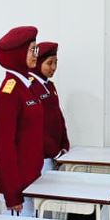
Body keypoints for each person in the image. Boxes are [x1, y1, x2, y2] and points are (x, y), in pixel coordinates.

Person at [0, 26, 43, 217]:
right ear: (18, 54)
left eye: (36, 49)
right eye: (32, 50)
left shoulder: (26, 86)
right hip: (17, 188)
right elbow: (4, 146)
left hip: (30, 181)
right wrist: (12, 194)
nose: (36, 54)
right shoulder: (10, 92)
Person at [28, 41, 69, 169]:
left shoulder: (49, 86)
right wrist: (55, 152)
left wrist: (64, 145)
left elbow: (59, 117)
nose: (54, 67)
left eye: (56, 62)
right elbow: (37, 126)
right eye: (49, 63)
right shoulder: (30, 87)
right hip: (40, 157)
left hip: (55, 155)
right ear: (38, 62)